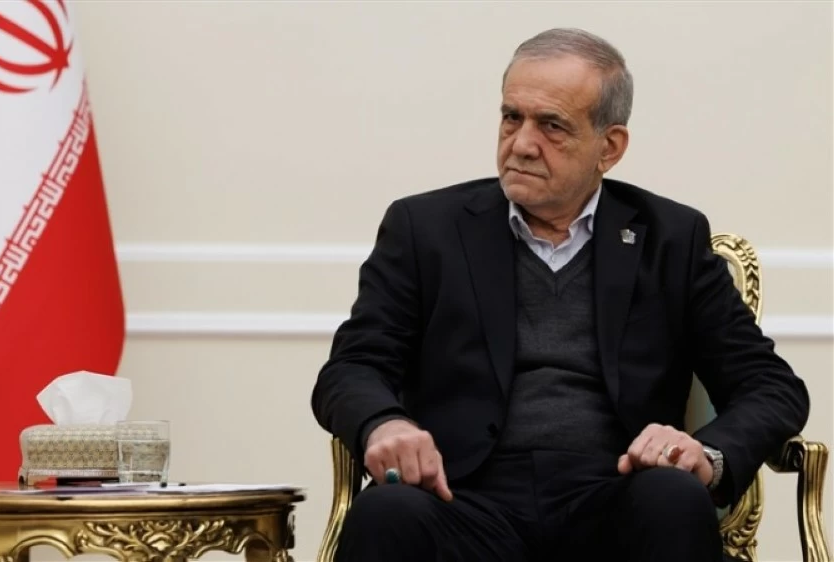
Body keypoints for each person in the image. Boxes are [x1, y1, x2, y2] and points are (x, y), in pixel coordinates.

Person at [310, 28, 810, 562]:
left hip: (615, 494)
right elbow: (353, 367)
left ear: (609, 147)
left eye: (552, 126)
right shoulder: (424, 228)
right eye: (512, 117)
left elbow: (771, 386)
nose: (522, 144)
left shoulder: (672, 238)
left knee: (673, 500)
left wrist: (706, 453)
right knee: (386, 512)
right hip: (462, 497)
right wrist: (385, 424)